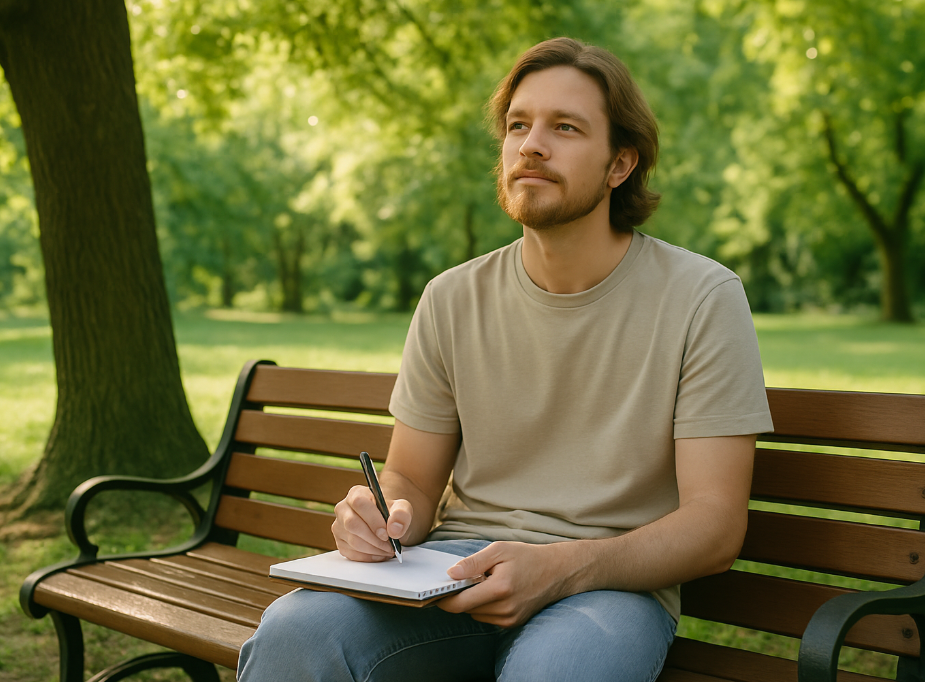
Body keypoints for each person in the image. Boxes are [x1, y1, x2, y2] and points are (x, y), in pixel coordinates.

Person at [237, 37, 773, 682]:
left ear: (619, 164)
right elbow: (410, 482)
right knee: (296, 633)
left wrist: (563, 567)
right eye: (518, 125)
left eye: (565, 128)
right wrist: (383, 516)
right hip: (452, 574)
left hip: (605, 590)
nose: (531, 145)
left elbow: (716, 526)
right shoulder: (450, 298)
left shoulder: (702, 298)